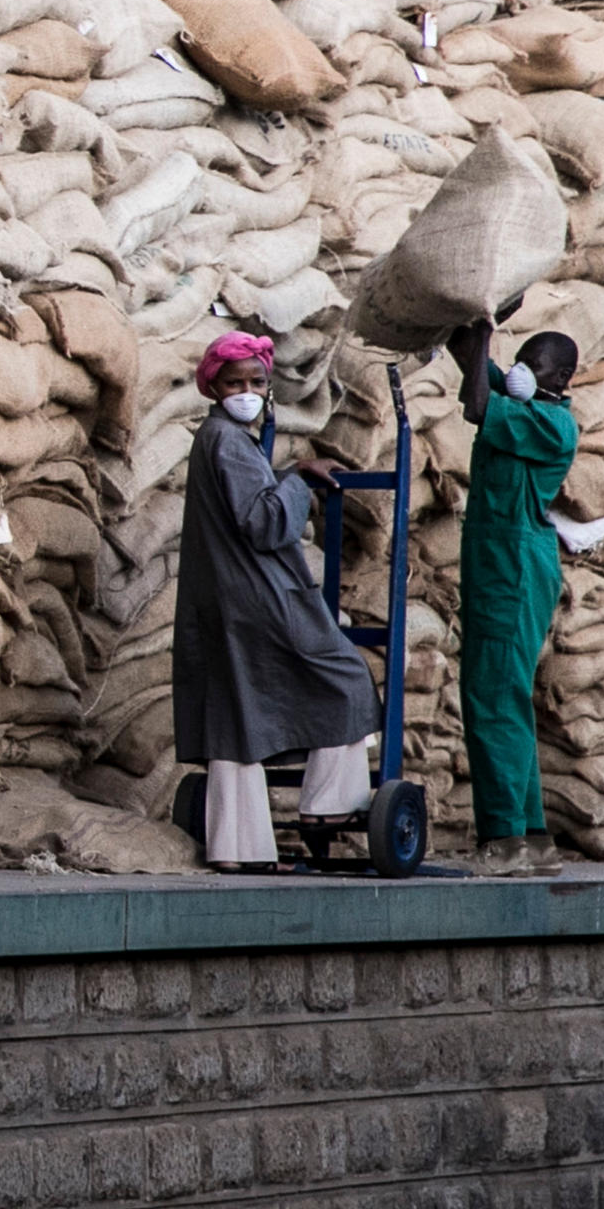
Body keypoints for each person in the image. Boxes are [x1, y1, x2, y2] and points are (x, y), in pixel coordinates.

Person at [172, 333, 380, 872]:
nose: (246, 391)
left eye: (256, 382)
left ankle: (239, 851)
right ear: (213, 387)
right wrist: (296, 479)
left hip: (225, 601)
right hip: (259, 600)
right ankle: (329, 808)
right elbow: (264, 522)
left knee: (236, 719)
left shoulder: (216, 439)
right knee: (346, 680)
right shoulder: (228, 442)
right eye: (234, 382)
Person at [450, 320, 580, 876]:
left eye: (536, 364)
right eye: (520, 358)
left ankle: (502, 841)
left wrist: (483, 335)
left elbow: (477, 404)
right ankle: (533, 838)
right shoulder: (524, 399)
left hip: (513, 569)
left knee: (492, 698)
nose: (522, 370)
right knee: (505, 698)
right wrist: (473, 322)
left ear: (562, 378)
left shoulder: (552, 424)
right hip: (499, 563)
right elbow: (472, 374)